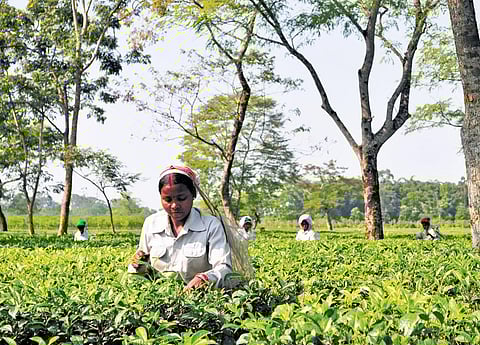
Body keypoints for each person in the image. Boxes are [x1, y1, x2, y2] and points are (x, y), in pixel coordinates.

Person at [128, 165, 232, 289]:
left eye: (181, 198)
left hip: (199, 300)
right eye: (167, 199)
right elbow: (142, 266)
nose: (174, 205)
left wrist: (205, 279)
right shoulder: (151, 224)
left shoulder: (211, 225)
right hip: (160, 298)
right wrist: (138, 264)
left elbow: (224, 268)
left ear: (193, 194)